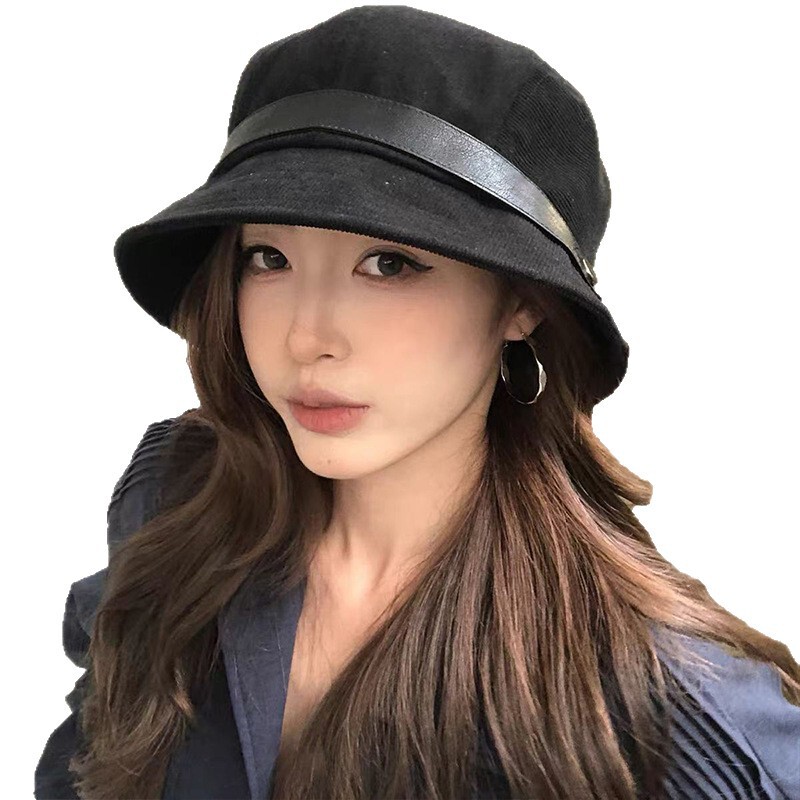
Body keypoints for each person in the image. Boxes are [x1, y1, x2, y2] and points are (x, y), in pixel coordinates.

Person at [34, 6, 800, 800]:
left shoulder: (659, 711)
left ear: (521, 303)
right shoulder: (181, 509)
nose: (307, 336)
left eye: (390, 264)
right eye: (268, 257)